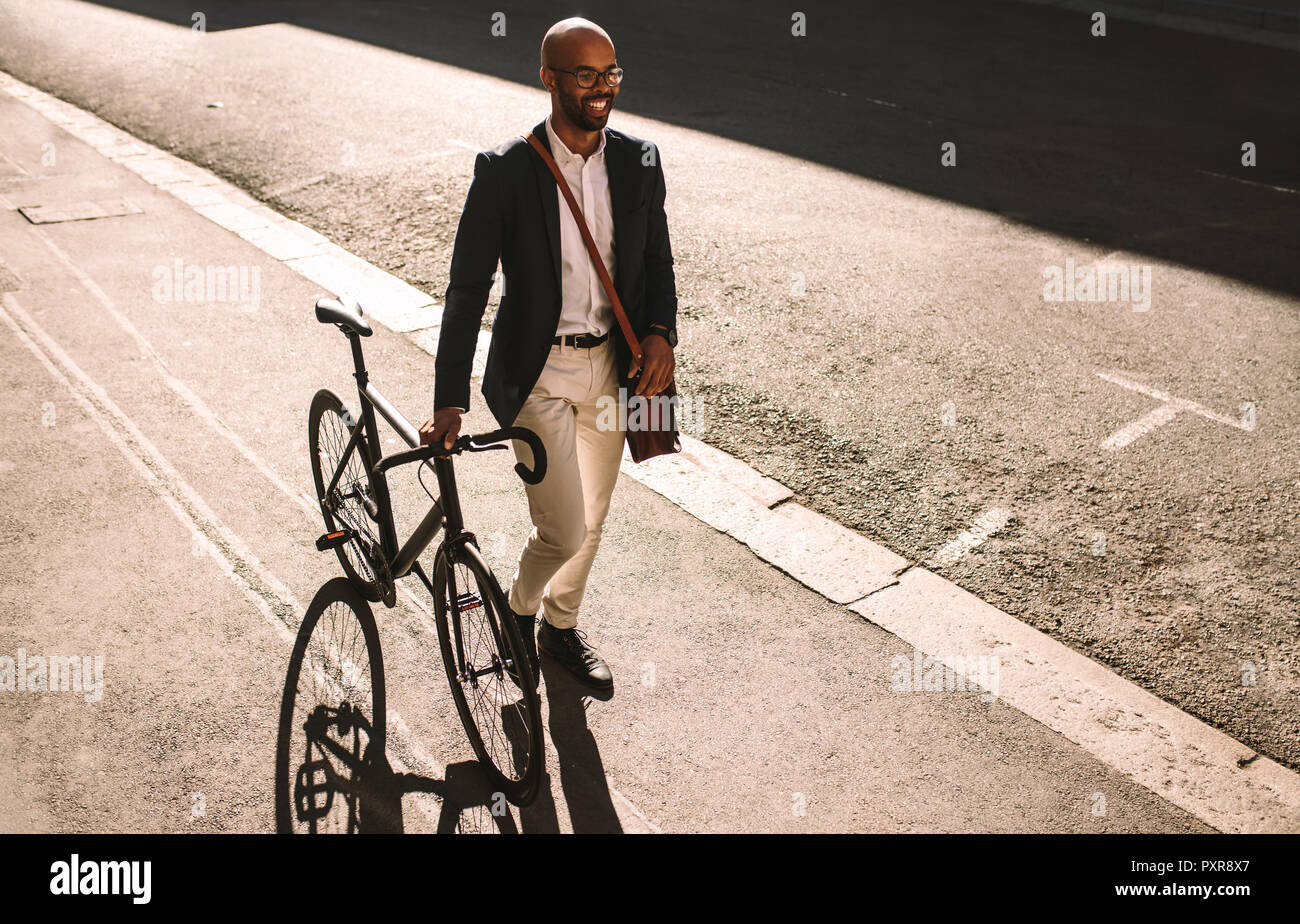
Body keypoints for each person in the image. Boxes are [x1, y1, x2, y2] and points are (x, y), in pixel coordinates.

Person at [420, 17, 679, 691]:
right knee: (562, 528)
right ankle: (516, 610)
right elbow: (467, 288)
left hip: (610, 369)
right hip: (537, 373)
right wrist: (449, 396)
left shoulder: (638, 159)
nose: (603, 88)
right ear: (549, 78)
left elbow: (656, 261)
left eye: (612, 72)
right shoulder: (505, 171)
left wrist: (661, 333)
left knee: (591, 520)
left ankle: (560, 629)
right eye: (587, 74)